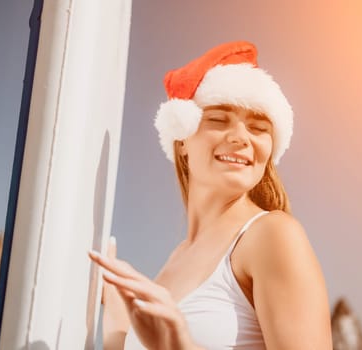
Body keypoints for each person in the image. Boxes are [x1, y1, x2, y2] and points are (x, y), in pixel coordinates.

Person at [89, 41, 332, 349]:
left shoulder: (273, 235)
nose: (241, 137)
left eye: (258, 128)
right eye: (218, 120)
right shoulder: (173, 261)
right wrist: (116, 321)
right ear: (181, 142)